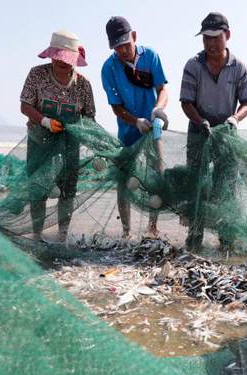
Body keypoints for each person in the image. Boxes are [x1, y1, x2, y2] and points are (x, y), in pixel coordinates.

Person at [180, 12, 247, 252]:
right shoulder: (193, 65)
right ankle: (194, 238)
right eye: (205, 38)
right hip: (199, 130)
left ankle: (227, 242)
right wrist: (201, 121)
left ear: (227, 36)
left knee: (226, 188)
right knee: (196, 185)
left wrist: (234, 118)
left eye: (215, 37)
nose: (210, 43)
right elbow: (186, 103)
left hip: (226, 132)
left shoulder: (239, 67)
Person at [20, 30, 95, 243]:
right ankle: (37, 234)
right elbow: (25, 105)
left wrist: (99, 147)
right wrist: (44, 121)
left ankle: (62, 235)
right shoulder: (37, 75)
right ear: (52, 56)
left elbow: (89, 118)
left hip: (70, 144)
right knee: (38, 188)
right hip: (40, 142)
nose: (63, 63)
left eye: (68, 59)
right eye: (60, 58)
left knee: (68, 188)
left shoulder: (83, 85)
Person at [101, 16, 169, 239]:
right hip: (128, 132)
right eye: (117, 47)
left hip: (153, 130)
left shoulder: (151, 56)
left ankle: (152, 228)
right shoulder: (108, 68)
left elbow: (163, 90)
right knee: (124, 180)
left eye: (126, 44)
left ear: (135, 37)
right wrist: (135, 121)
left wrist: (158, 110)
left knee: (156, 176)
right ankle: (126, 232)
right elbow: (116, 107)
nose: (122, 50)